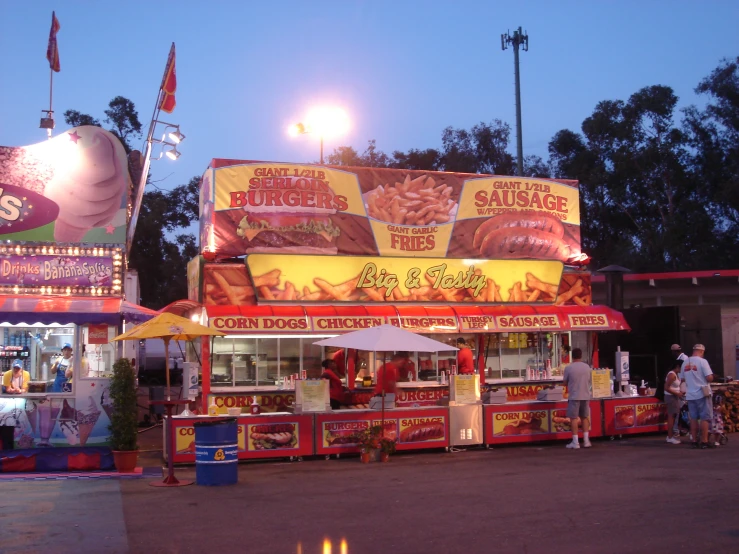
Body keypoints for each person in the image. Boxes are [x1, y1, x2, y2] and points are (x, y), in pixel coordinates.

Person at [680, 344, 714, 449]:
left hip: (690, 394)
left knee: (693, 418)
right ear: (702, 352)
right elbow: (709, 378)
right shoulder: (703, 362)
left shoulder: (685, 362)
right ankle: (704, 441)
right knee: (705, 418)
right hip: (702, 393)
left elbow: (682, 379)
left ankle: (694, 441)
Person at [563, 348, 592, 449]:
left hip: (574, 396)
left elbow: (565, 382)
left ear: (573, 356)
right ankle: (586, 441)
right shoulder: (587, 367)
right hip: (585, 395)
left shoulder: (569, 368)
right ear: (581, 356)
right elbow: (590, 381)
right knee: (584, 417)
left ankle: (575, 442)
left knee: (573, 418)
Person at [664, 360, 684, 444]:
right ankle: (670, 436)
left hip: (675, 396)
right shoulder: (672, 375)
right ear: (678, 366)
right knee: (671, 416)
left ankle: (671, 435)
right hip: (671, 397)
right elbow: (666, 387)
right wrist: (677, 393)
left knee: (674, 416)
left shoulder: (676, 375)